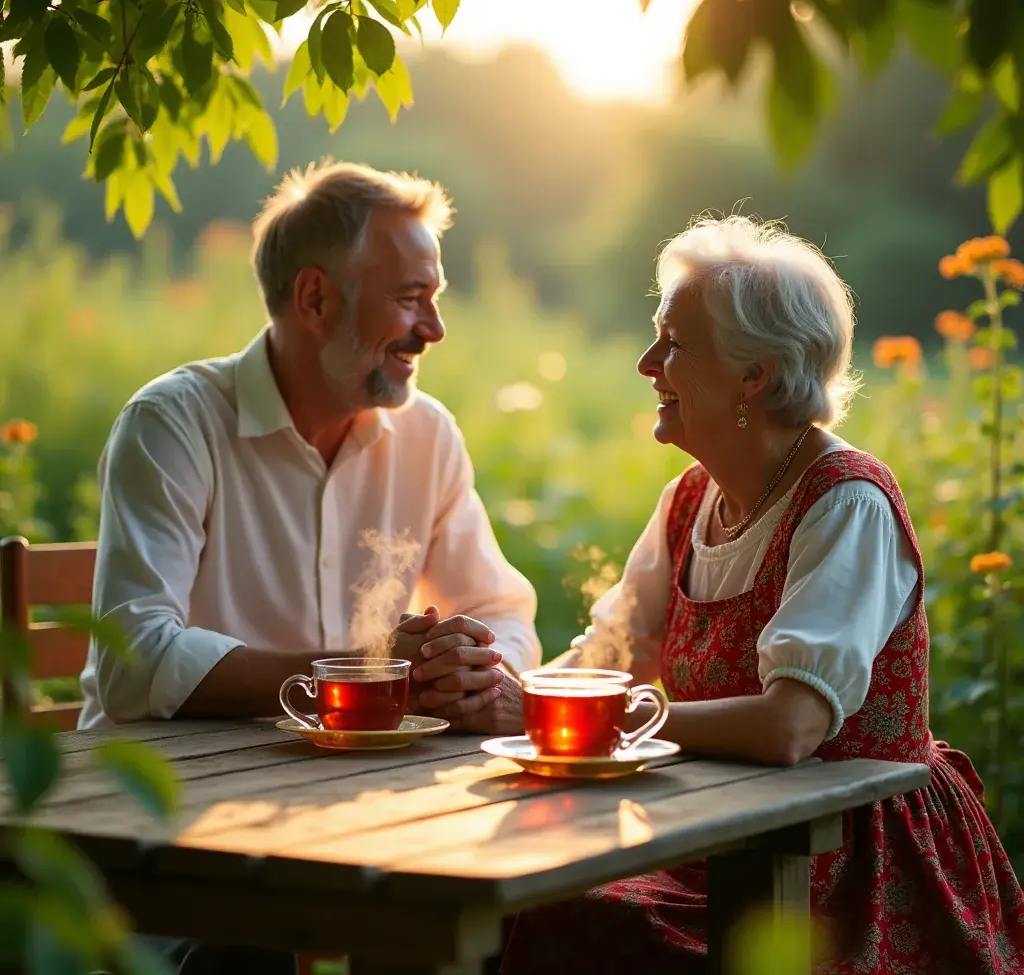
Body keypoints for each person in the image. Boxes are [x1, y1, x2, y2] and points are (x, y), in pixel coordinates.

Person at [500, 216, 1024, 974]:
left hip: (842, 861)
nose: (648, 363)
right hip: (714, 838)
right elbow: (606, 657)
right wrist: (505, 690)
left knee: (584, 922)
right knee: (528, 895)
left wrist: (621, 719)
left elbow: (792, 725)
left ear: (757, 375)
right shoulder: (689, 502)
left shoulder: (846, 502)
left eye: (674, 344)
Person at [80, 160, 538, 741]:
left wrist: (473, 671)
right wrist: (362, 672)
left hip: (353, 786)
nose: (435, 328)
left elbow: (502, 611)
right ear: (316, 299)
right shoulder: (172, 424)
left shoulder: (429, 435)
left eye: (435, 297)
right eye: (409, 297)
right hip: (165, 792)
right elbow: (132, 663)